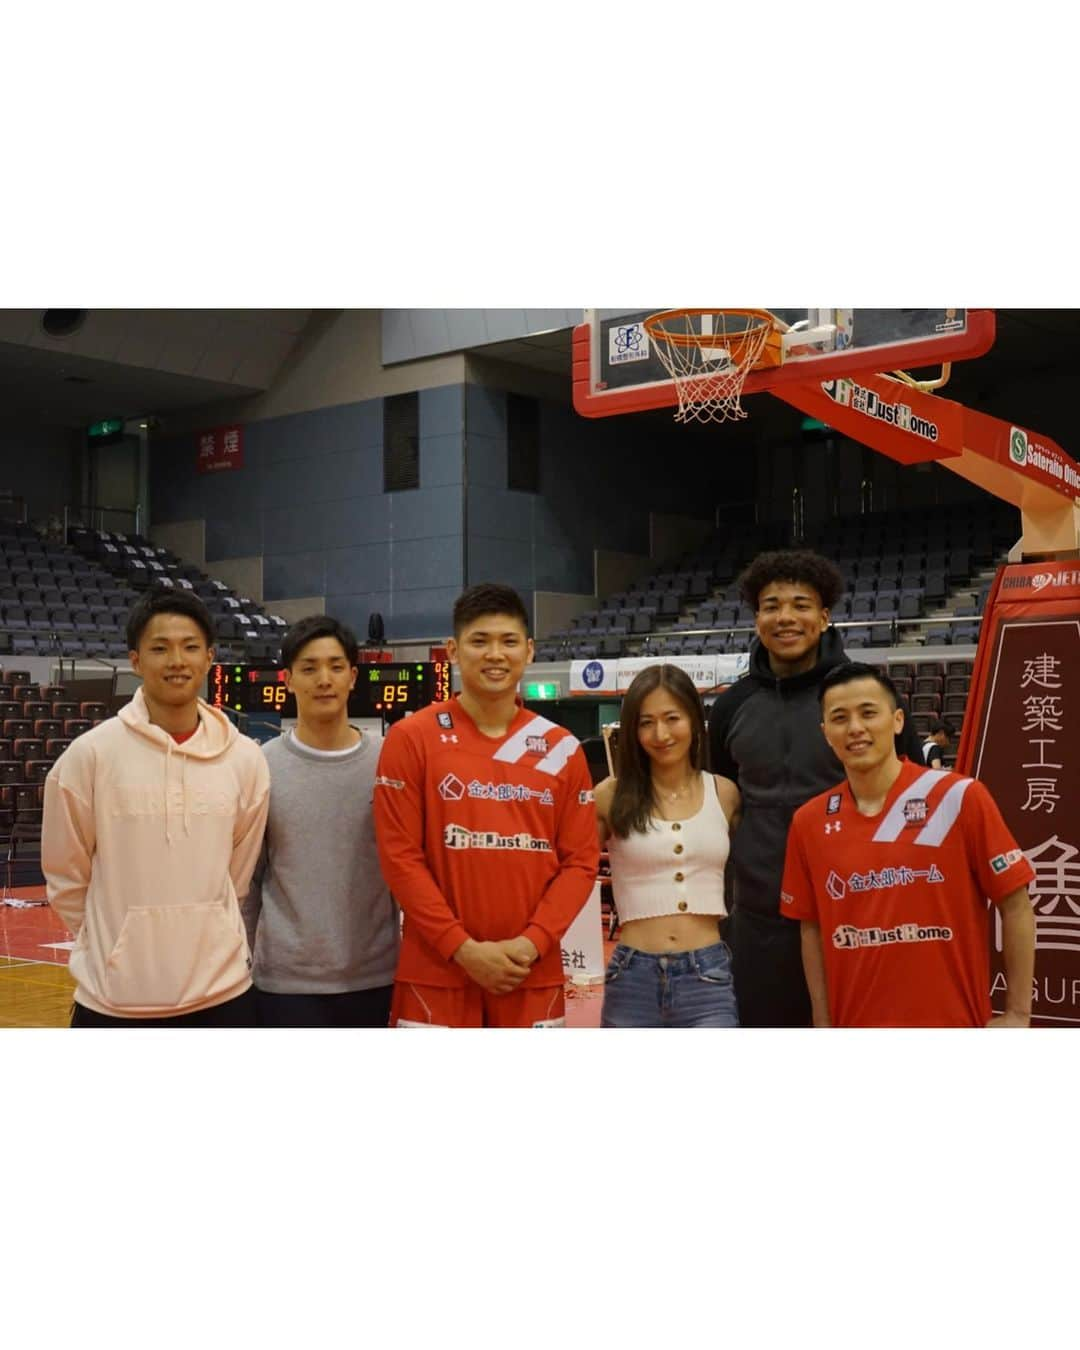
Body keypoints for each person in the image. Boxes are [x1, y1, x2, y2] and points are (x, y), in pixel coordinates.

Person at [708, 549, 926, 1027]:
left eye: (801, 604)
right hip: (759, 919)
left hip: (857, 912)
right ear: (756, 616)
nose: (785, 617)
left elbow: (910, 796)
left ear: (824, 616)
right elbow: (723, 802)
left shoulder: (865, 698)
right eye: (771, 605)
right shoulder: (731, 707)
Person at [373, 583, 599, 1027]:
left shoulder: (562, 749)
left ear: (529, 651)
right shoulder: (411, 738)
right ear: (453, 651)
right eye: (480, 641)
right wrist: (461, 947)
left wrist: (533, 943)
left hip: (530, 974)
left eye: (509, 641)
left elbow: (581, 863)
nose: (495, 654)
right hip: (435, 976)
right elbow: (399, 858)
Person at [42, 588, 270, 1026]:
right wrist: (117, 949)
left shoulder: (245, 758)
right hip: (114, 1002)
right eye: (160, 648)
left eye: (189, 647)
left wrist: (208, 926)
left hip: (223, 994)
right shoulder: (89, 757)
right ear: (135, 660)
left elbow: (236, 874)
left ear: (209, 658)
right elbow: (66, 875)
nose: (176, 661)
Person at [781, 663, 1036, 1027]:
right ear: (825, 733)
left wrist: (1018, 1013)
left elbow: (1016, 905)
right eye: (840, 718)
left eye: (868, 713)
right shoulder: (809, 821)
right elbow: (812, 930)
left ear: (897, 720)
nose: (855, 728)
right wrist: (823, 1025)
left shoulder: (959, 797)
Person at [242, 614, 399, 1028]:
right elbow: (249, 880)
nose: (323, 679)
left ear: (353, 676)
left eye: (335, 666)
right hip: (284, 987)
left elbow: (407, 870)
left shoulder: (392, 762)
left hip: (378, 977)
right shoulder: (260, 766)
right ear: (288, 679)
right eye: (309, 668)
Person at [595, 664, 741, 1027]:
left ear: (693, 718)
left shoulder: (725, 793)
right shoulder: (610, 796)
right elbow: (567, 870)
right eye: (646, 722)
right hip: (632, 978)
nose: (660, 734)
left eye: (672, 718)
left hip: (707, 977)